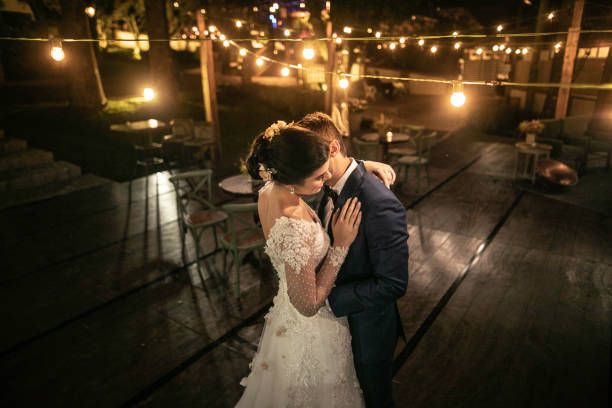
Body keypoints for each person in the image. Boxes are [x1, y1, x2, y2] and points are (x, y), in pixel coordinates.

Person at [236, 121, 396, 407]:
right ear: (294, 180)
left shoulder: (271, 187)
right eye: (320, 177)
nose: (327, 180)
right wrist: (340, 247)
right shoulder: (293, 223)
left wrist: (357, 167)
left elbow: (298, 148)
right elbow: (308, 306)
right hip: (311, 333)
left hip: (284, 319)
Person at [297, 112, 409, 408]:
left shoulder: (380, 203)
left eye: (308, 158)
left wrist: (330, 300)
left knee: (375, 399)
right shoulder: (328, 183)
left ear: (332, 149)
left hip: (367, 329)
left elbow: (394, 284)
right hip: (335, 328)